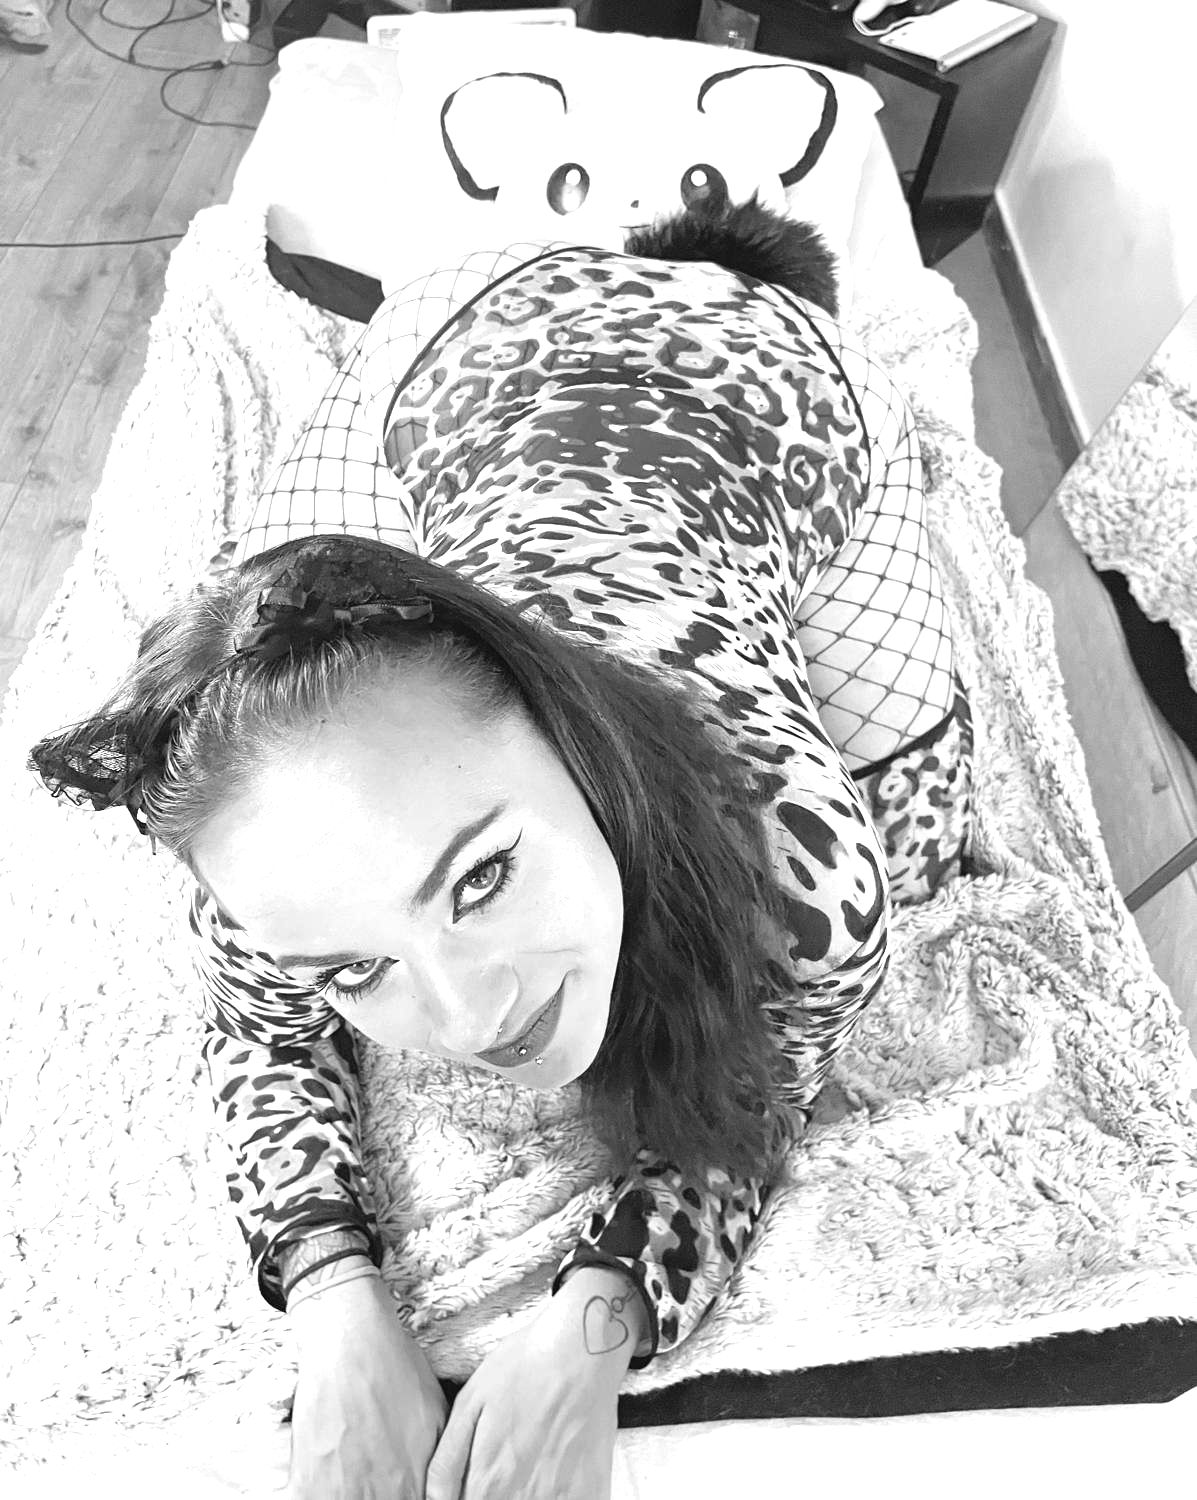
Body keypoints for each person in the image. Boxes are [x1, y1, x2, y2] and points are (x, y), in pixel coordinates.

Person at [29, 196, 973, 1500]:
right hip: (460, 338)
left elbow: (762, 1094)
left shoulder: (798, 863)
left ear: (578, 746)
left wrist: (596, 1325)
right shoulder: (270, 868)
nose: (470, 1019)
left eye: (479, 876)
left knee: (927, 826)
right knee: (244, 644)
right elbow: (255, 1031)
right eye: (356, 969)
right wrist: (333, 1303)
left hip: (777, 382)